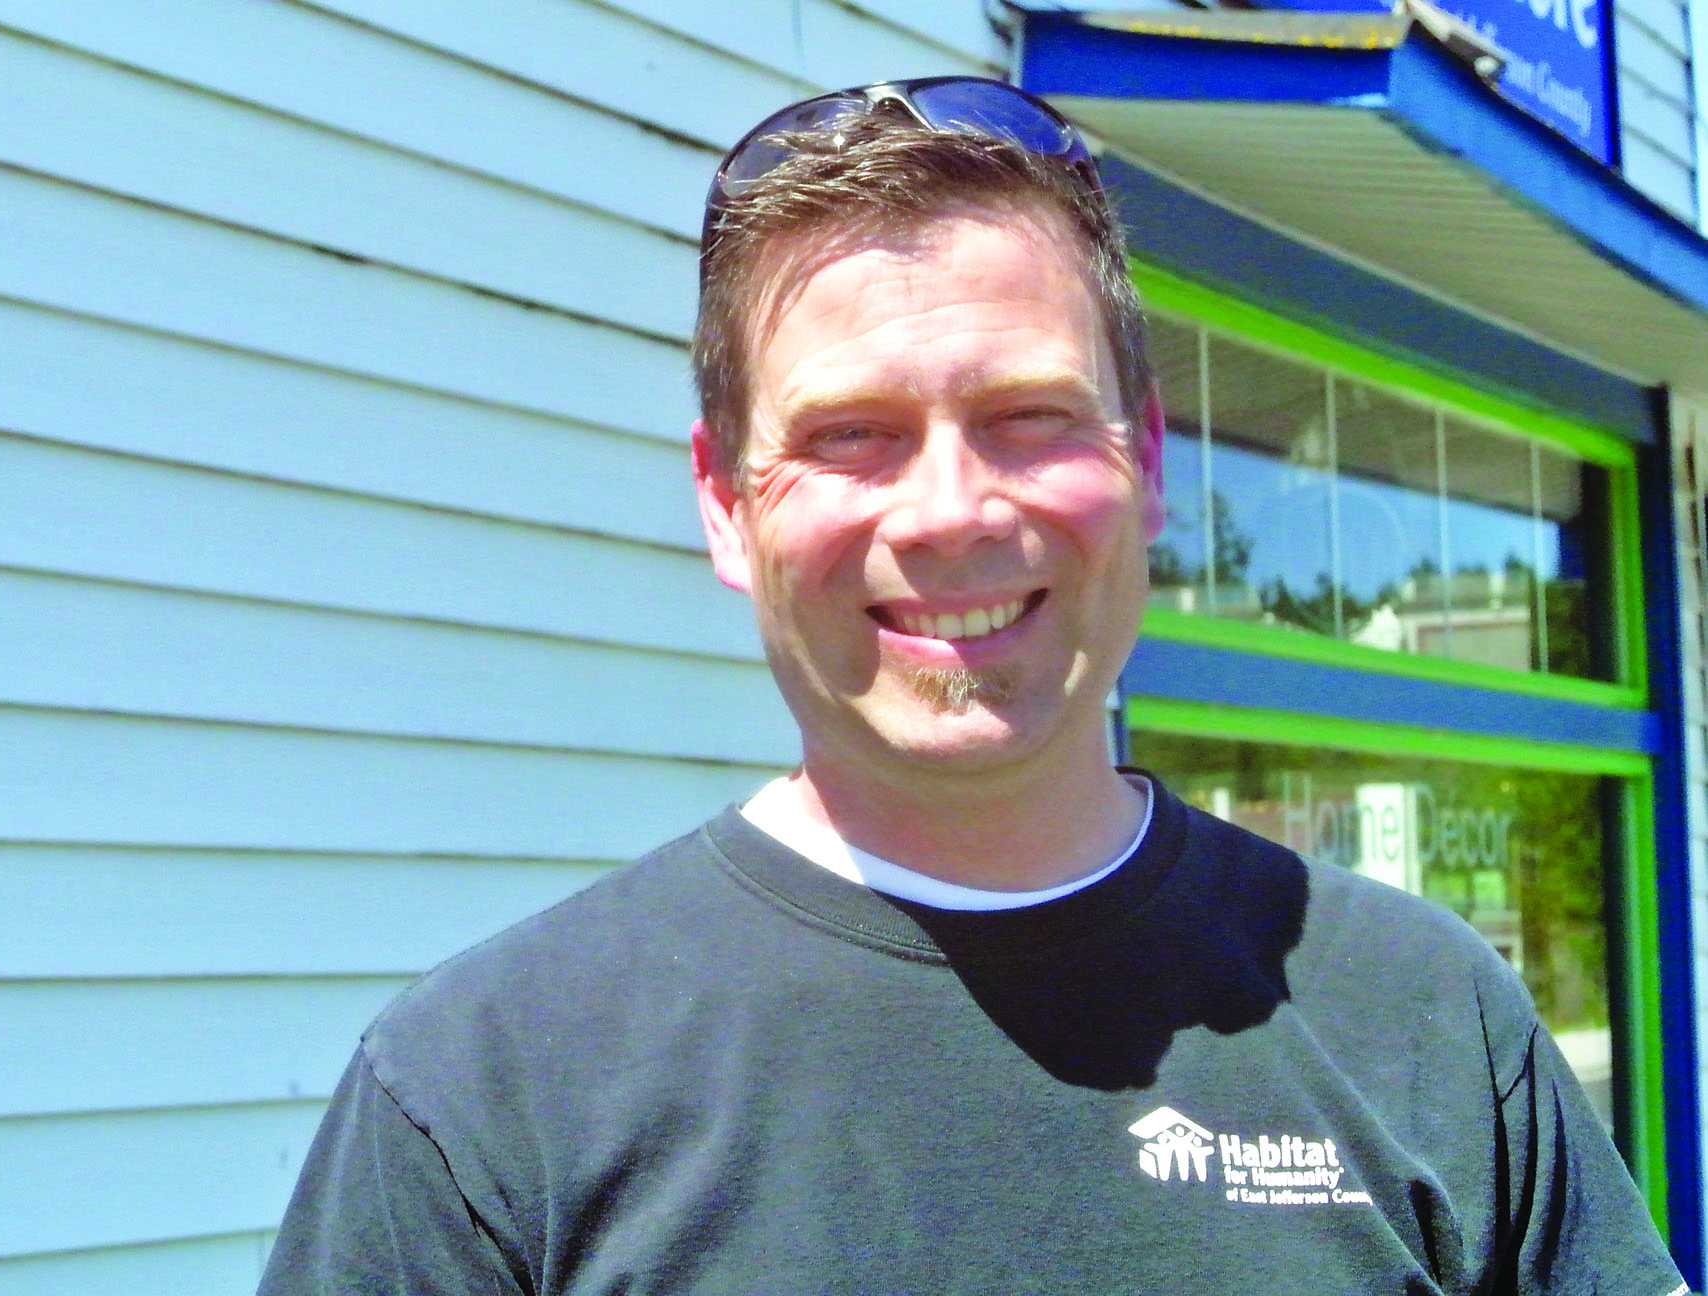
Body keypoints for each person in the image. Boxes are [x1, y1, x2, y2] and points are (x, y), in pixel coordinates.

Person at [258, 78, 1688, 1294]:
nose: (950, 513)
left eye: (1029, 416)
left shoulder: (1428, 1018)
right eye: (851, 434)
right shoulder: (483, 1096)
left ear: (1148, 460)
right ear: (725, 504)